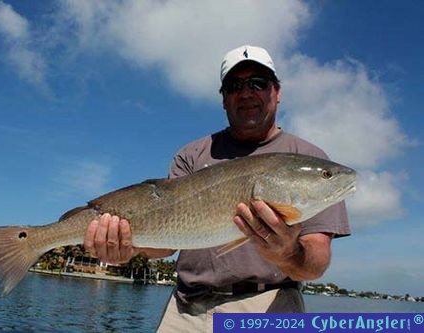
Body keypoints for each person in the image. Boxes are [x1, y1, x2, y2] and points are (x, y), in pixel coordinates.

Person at [83, 45, 350, 332]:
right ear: (223, 99)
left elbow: (315, 264)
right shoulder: (191, 155)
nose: (246, 93)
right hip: (185, 309)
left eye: (258, 83)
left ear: (277, 91)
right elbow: (167, 242)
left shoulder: (311, 157)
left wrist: (287, 253)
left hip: (267, 307)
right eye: (234, 85)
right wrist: (128, 247)